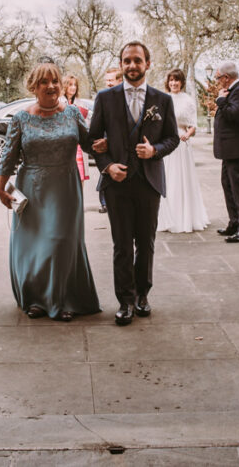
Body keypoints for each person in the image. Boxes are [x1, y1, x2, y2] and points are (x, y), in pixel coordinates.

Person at [0, 62, 102, 322]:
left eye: (55, 81)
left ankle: (63, 298)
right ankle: (36, 299)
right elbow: (8, 156)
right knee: (35, 245)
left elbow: (90, 143)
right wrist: (1, 186)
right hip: (32, 187)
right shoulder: (21, 118)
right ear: (34, 86)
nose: (51, 86)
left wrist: (108, 145)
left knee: (60, 241)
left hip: (65, 187)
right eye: (44, 82)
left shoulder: (73, 113)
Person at [89, 41, 180, 325]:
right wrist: (106, 166)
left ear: (147, 64)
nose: (132, 65)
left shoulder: (162, 100)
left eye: (137, 60)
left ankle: (143, 295)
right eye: (126, 61)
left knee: (147, 242)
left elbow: (172, 138)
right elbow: (92, 141)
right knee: (121, 245)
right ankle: (125, 301)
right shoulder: (105, 98)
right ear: (121, 64)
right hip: (117, 183)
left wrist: (155, 151)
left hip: (148, 182)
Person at [157, 69, 209, 233]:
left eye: (176, 80)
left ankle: (183, 217)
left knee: (180, 179)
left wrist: (186, 134)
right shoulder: (162, 99)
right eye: (171, 80)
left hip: (180, 143)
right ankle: (165, 217)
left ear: (182, 82)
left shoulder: (187, 100)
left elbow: (193, 125)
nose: (173, 83)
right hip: (164, 142)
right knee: (166, 178)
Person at [212, 61, 239, 243]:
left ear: (226, 77)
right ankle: (235, 222)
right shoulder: (235, 91)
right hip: (230, 150)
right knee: (228, 186)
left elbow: (235, 115)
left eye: (218, 78)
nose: (217, 82)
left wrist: (221, 101)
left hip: (237, 149)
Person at [97, 67, 123, 214]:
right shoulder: (102, 98)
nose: (108, 83)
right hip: (106, 143)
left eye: (111, 80)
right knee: (105, 173)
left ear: (120, 81)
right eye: (106, 80)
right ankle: (104, 202)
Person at [61, 74, 89, 186]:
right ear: (64, 86)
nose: (73, 87)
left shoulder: (81, 104)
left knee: (80, 177)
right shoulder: (58, 102)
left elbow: (86, 125)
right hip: (64, 144)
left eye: (75, 85)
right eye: (70, 85)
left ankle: (79, 202)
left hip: (78, 144)